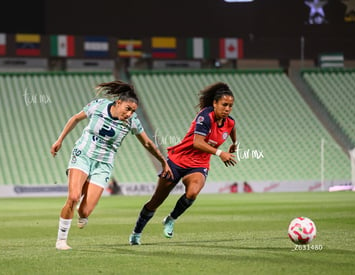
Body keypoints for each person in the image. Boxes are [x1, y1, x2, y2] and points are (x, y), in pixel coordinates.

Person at [51, 80, 173, 250]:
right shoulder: (99, 105)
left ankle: (82, 205)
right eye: (127, 109)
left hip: (104, 165)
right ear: (118, 103)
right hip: (83, 155)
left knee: (84, 212)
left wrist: (162, 160)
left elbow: (147, 143)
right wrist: (60, 140)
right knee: (73, 197)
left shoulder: (132, 121)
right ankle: (61, 240)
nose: (130, 113)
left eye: (133, 111)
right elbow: (76, 118)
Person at [129, 82, 237, 245]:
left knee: (192, 193)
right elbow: (197, 143)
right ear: (215, 103)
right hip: (177, 160)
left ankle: (171, 219)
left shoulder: (229, 122)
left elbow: (231, 128)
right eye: (224, 105)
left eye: (230, 105)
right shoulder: (205, 116)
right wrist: (220, 153)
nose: (227, 109)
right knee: (156, 201)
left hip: (199, 165)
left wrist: (234, 143)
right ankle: (136, 232)